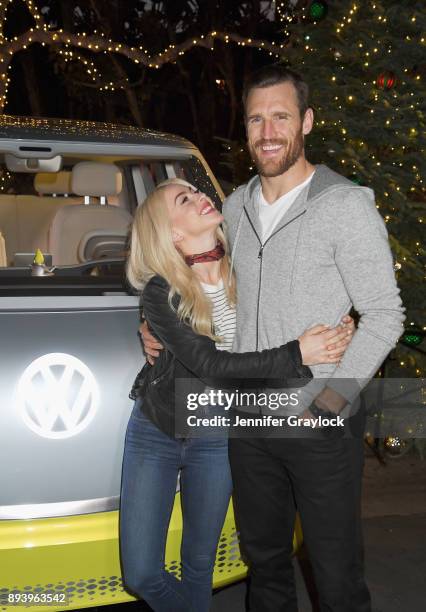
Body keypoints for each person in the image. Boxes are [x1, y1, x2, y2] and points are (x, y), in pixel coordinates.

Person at [140, 65, 405, 611]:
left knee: (336, 578)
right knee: (265, 567)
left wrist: (331, 402)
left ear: (306, 122)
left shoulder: (345, 206)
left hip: (320, 420)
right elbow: (203, 279)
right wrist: (156, 326)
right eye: (256, 119)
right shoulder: (234, 208)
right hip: (250, 419)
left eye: (281, 116)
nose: (268, 132)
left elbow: (384, 314)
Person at [120, 176, 354, 612]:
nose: (202, 197)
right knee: (141, 572)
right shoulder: (160, 291)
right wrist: (296, 354)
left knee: (198, 566)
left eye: (197, 190)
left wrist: (341, 319)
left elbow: (306, 292)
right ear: (172, 232)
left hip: (217, 433)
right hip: (157, 430)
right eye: (184, 199)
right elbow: (212, 366)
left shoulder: (249, 268)